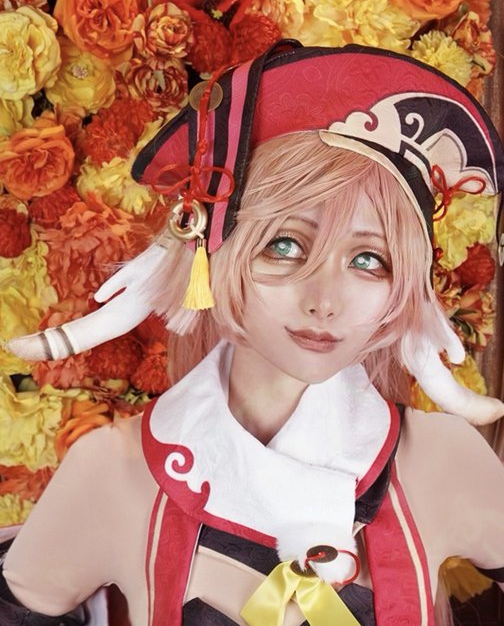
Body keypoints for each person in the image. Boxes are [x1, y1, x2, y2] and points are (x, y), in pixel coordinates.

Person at [2, 42, 504, 626]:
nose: (324, 302)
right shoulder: (112, 471)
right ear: (210, 251)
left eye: (369, 260)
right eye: (284, 246)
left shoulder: (442, 459)